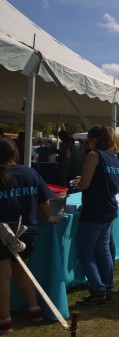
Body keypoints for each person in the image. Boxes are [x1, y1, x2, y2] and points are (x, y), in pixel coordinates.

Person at [0, 136, 52, 334]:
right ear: (15, 153)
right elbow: (45, 205)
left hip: (3, 232)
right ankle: (35, 311)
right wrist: (49, 217)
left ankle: (5, 321)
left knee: (3, 277)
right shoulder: (30, 173)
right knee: (23, 272)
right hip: (28, 233)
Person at [75, 125, 119, 306]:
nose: (87, 144)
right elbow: (116, 185)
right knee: (103, 250)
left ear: (96, 140)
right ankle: (107, 287)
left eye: (88, 140)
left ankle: (98, 290)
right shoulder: (116, 157)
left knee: (85, 253)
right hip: (109, 208)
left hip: (94, 210)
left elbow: (85, 184)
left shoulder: (94, 156)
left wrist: (78, 182)